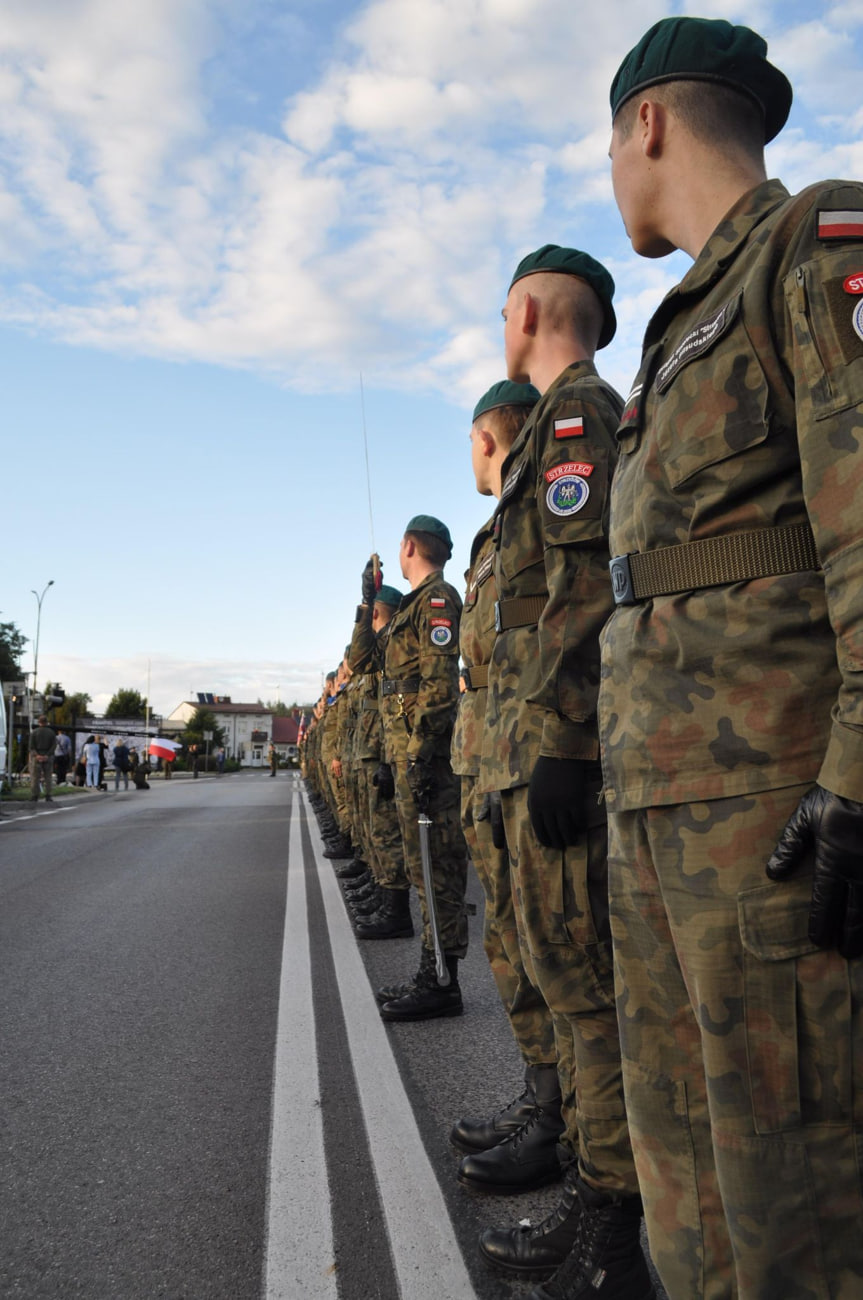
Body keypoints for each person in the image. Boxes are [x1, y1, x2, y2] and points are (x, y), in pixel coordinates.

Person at [602, 18, 863, 1299]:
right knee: (686, 1186)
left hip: (770, 819)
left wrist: (858, 779)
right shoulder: (674, 329)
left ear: (644, 123)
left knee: (786, 1200)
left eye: (610, 141)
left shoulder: (813, 245)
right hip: (660, 820)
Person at [476, 248, 651, 1300]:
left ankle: (612, 1231)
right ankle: (594, 1198)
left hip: (562, 750)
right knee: (570, 990)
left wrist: (565, 741)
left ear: (529, 310)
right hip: (533, 747)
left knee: (589, 1000)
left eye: (504, 315)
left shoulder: (576, 412)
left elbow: (581, 591)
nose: (503, 326)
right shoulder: (554, 424)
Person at [449, 380, 566, 1198]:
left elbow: (574, 603)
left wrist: (563, 736)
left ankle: (568, 1133)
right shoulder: (491, 532)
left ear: (488, 438)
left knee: (562, 966)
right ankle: (544, 1101)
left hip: (535, 755)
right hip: (497, 760)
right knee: (515, 950)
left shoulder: (567, 444)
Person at [354, 516, 470, 1021]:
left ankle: (443, 982)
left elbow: (440, 687)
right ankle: (433, 970)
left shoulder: (439, 600)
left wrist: (421, 756)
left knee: (437, 869)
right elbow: (362, 662)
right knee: (423, 873)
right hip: (406, 760)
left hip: (427, 762)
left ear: (407, 547)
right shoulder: (408, 611)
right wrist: (366, 602)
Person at [29, 715, 57, 803]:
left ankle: (34, 796)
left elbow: (31, 746)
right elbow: (54, 746)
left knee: (35, 777)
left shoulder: (34, 732)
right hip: (48, 757)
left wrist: (37, 755)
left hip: (36, 757)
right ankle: (48, 795)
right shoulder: (51, 733)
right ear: (46, 722)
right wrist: (47, 755)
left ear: (39, 722)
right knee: (48, 777)